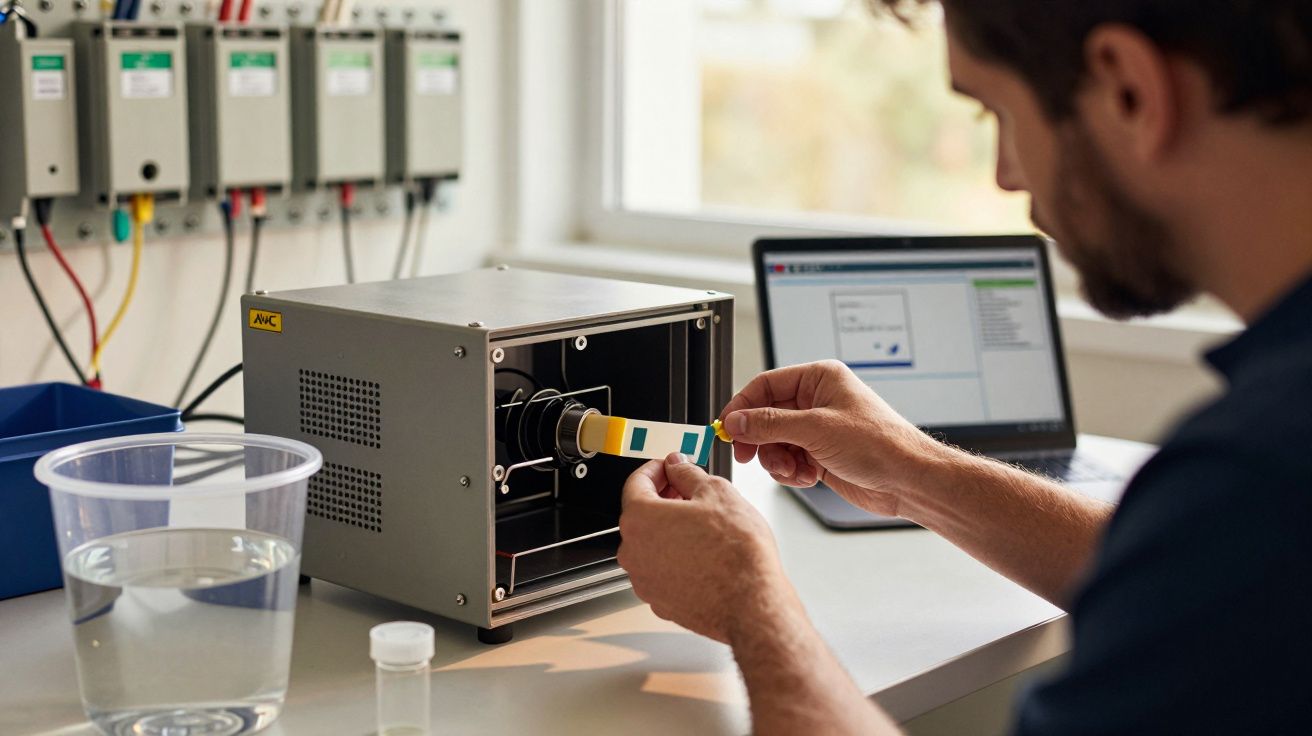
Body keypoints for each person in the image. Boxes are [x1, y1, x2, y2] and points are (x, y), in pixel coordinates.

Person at [616, 1, 1312, 733]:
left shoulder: (1259, 480)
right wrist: (911, 470)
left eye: (997, 112)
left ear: (1128, 89)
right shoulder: (1252, 499)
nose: (1008, 175)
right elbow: (1190, 582)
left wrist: (750, 603)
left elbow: (1225, 545)